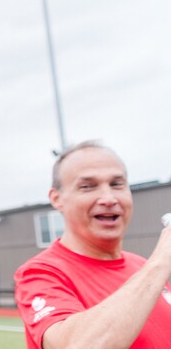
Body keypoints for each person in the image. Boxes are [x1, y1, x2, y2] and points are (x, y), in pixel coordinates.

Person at [14, 140, 171, 348]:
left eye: (116, 184)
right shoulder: (40, 273)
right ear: (57, 198)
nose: (108, 198)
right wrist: (161, 261)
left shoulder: (142, 266)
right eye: (87, 186)